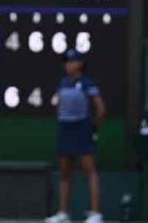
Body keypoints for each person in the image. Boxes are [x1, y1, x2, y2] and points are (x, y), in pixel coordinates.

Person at [46, 49, 106, 223]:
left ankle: (95, 214)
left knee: (89, 171)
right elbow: (57, 103)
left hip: (82, 129)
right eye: (66, 62)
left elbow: (101, 109)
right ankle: (63, 213)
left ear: (80, 64)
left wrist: (92, 127)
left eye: (72, 61)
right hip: (65, 129)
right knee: (65, 173)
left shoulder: (87, 83)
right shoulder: (62, 83)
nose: (68, 65)